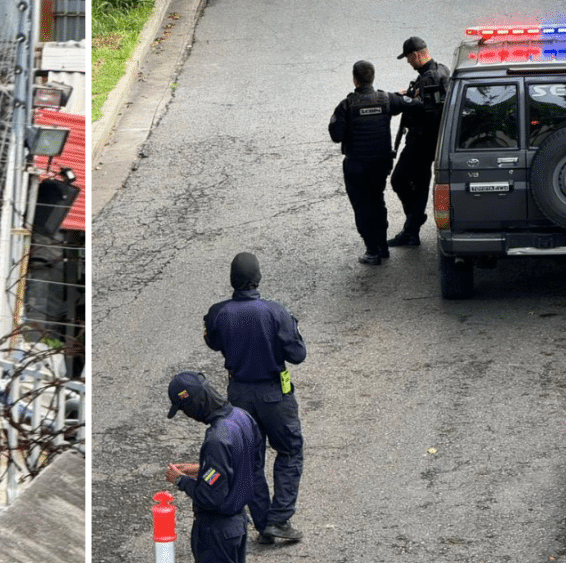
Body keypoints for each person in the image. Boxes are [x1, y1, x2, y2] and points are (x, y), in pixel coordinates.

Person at [203, 252, 306, 544]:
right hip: (275, 393)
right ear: (258, 278)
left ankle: (263, 523)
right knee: (289, 450)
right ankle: (280, 518)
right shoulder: (275, 312)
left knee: (249, 457)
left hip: (238, 394)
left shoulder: (218, 313)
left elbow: (213, 342)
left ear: (232, 280)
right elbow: (298, 355)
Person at [166, 370, 265, 563]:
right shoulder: (242, 417)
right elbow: (250, 464)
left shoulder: (216, 440)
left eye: (185, 409)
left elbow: (210, 496)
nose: (188, 416)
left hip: (216, 533)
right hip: (238, 525)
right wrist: (202, 469)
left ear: (194, 404)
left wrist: (181, 480)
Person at [329, 60, 422, 265]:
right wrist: (409, 96)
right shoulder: (386, 99)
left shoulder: (346, 105)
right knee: (377, 201)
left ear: (355, 80)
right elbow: (416, 105)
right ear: (372, 78)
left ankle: (372, 251)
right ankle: (382, 246)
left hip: (357, 167)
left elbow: (336, 135)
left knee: (362, 206)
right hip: (380, 165)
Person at [387, 37, 451, 248]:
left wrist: (408, 102)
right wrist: (413, 95)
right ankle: (412, 230)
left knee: (399, 180)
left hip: (421, 142)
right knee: (421, 186)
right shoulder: (440, 69)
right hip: (431, 142)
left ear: (415, 55)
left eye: (408, 58)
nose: (408, 62)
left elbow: (428, 113)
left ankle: (414, 219)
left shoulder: (429, 78)